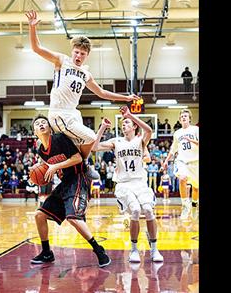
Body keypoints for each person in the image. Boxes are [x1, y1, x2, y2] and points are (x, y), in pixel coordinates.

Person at [25, 10, 140, 179]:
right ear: (72, 51)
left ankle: (74, 167)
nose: (79, 56)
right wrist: (32, 27)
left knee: (79, 145)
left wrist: (126, 98)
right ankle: (84, 165)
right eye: (76, 52)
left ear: (87, 55)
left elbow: (101, 93)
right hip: (59, 113)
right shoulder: (61, 60)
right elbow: (36, 48)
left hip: (73, 113)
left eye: (82, 54)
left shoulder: (86, 74)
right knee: (92, 137)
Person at [29, 114, 111, 267]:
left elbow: (78, 158)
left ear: (49, 128)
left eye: (44, 122)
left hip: (78, 177)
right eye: (37, 124)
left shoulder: (59, 139)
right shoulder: (41, 150)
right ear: (35, 132)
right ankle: (47, 252)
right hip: (65, 182)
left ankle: (99, 250)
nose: (41, 124)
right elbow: (50, 169)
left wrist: (55, 167)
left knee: (72, 218)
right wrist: (40, 175)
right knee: (39, 215)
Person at [92, 106, 164, 263]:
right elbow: (94, 147)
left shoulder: (140, 141)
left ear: (134, 126)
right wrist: (102, 128)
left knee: (148, 211)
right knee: (136, 211)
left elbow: (149, 130)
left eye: (127, 123)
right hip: (124, 184)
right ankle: (134, 249)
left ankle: (154, 248)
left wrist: (130, 114)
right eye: (122, 123)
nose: (123, 125)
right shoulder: (116, 141)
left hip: (140, 183)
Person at [161, 109, 199, 220]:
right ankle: (185, 206)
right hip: (182, 161)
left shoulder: (196, 129)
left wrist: (192, 141)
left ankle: (194, 206)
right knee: (182, 178)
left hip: (195, 161)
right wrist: (166, 160)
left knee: (196, 188)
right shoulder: (177, 133)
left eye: (185, 116)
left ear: (189, 118)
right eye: (182, 116)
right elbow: (173, 149)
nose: (183, 117)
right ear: (180, 119)